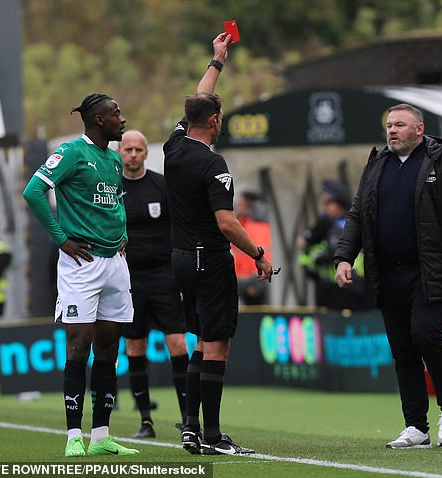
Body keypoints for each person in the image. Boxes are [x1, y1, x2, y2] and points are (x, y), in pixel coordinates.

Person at [334, 103, 442, 449]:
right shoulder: (376, 165)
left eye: (400, 125)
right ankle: (416, 427)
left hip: (428, 271)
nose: (392, 130)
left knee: (426, 334)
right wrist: (343, 257)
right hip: (387, 272)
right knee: (403, 350)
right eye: (389, 125)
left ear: (419, 130)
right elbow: (356, 216)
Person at [163, 32, 274, 456]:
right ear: (215, 121)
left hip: (179, 260)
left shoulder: (174, 148)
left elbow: (199, 99)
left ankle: (190, 427)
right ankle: (212, 436)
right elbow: (226, 222)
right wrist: (259, 255)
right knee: (219, 347)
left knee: (201, 343)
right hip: (208, 260)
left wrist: (217, 61)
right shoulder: (212, 162)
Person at [23, 93, 139, 457]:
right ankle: (74, 434)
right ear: (98, 119)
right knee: (79, 345)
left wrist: (122, 235)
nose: (122, 118)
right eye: (116, 113)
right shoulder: (73, 152)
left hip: (114, 263)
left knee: (108, 349)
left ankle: (101, 435)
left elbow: (114, 201)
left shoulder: (114, 159)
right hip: (82, 264)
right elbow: (34, 191)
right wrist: (60, 238)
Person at [118, 129, 189, 439]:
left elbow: (179, 229)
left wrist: (182, 274)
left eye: (138, 149)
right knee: (135, 346)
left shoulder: (162, 185)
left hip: (164, 276)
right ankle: (146, 422)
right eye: (127, 149)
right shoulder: (111, 189)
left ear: (147, 153)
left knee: (177, 343)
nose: (133, 154)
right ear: (120, 152)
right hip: (128, 279)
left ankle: (190, 419)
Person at [297, 179, 374, 311]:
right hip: (329, 288)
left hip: (355, 287)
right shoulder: (322, 225)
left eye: (328, 203)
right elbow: (305, 248)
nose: (326, 208)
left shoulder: (353, 223)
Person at [231, 191, 273, 305]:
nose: (236, 207)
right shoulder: (243, 223)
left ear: (248, 205)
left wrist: (256, 283)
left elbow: (262, 253)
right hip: (242, 280)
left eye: (239, 204)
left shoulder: (256, 226)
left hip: (253, 282)